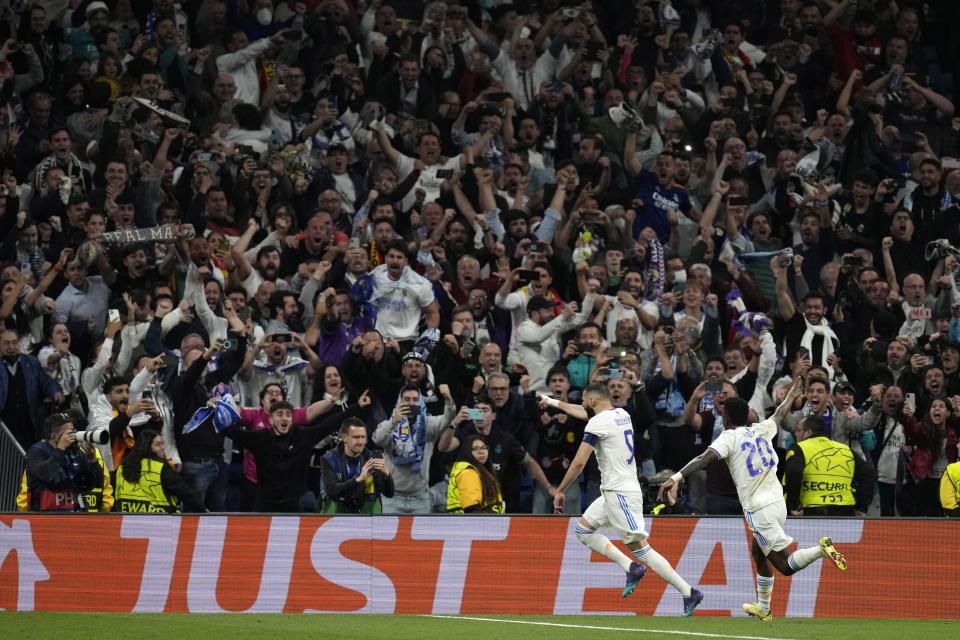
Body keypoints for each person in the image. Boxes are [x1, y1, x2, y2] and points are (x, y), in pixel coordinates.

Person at [658, 379, 848, 623]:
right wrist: (792, 393)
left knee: (786, 565)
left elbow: (703, 458)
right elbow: (780, 413)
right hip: (777, 503)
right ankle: (764, 607)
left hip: (759, 508)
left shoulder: (729, 437)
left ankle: (821, 549)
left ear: (726, 417)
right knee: (759, 554)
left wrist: (675, 477)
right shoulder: (760, 428)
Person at [543, 383, 704, 615]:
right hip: (613, 491)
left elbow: (579, 462)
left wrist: (560, 490)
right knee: (583, 531)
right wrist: (550, 402)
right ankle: (630, 567)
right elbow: (583, 413)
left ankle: (689, 592)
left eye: (583, 402)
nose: (581, 406)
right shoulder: (621, 414)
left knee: (641, 549)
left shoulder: (597, 423)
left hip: (620, 495)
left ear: (590, 402)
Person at [226, 396, 370, 512]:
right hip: (264, 503)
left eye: (288, 415)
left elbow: (330, 424)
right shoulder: (259, 438)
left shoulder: (303, 436)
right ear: (271, 420)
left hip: (293, 503)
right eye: (279, 414)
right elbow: (232, 432)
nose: (284, 418)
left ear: (292, 419)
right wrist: (215, 411)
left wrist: (357, 406)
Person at [782, 415, 876, 516]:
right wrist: (861, 507)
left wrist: (794, 506)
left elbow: (793, 473)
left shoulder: (799, 448)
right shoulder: (845, 449)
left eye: (798, 430)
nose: (796, 433)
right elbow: (869, 474)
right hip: (845, 510)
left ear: (808, 432)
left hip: (811, 512)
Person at [24, 413, 104, 512]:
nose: (74, 436)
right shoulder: (37, 451)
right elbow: (44, 474)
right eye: (69, 433)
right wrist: (60, 449)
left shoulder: (75, 452)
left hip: (75, 515)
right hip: (45, 518)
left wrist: (92, 460)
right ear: (54, 436)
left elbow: (98, 483)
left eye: (74, 431)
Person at [114, 430, 207, 513]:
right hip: (161, 522)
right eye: (158, 444)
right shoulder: (161, 468)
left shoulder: (122, 467)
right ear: (147, 446)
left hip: (126, 520)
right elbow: (185, 493)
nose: (162, 447)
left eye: (163, 444)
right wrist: (203, 509)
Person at [318, 417, 394, 514]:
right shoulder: (329, 459)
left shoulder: (371, 458)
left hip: (366, 519)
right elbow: (331, 491)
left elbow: (389, 494)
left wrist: (387, 475)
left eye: (363, 437)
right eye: (356, 437)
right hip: (336, 519)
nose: (361, 442)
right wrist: (359, 480)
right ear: (344, 438)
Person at [446, 434, 504, 514]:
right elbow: (472, 509)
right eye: (475, 449)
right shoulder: (467, 473)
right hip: (473, 524)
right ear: (467, 452)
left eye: (484, 448)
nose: (481, 451)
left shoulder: (480, 471)